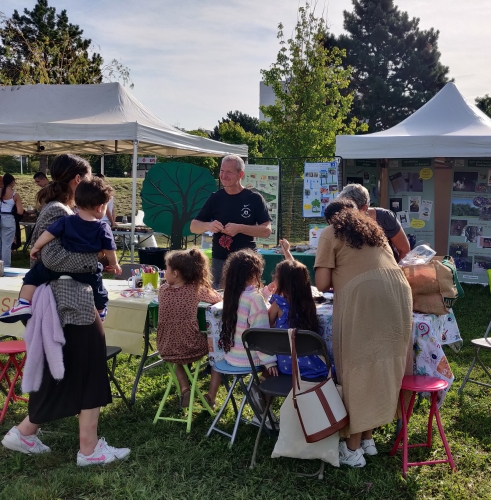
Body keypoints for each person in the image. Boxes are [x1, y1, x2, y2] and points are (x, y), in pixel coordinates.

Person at [1, 153, 130, 466]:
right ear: (77, 180)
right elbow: (48, 257)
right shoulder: (59, 210)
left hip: (71, 302)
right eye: (87, 178)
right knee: (91, 370)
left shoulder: (69, 211)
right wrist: (95, 260)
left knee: (73, 369)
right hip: (72, 303)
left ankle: (26, 432)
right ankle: (88, 450)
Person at [314, 199, 412, 468]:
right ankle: (368, 438)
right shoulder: (375, 231)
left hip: (363, 297)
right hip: (399, 293)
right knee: (383, 365)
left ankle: (353, 449)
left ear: (331, 219)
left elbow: (322, 284)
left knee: (358, 368)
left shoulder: (330, 232)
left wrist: (342, 275)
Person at [0, 177, 122, 323]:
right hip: (87, 272)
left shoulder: (66, 220)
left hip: (59, 269)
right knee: (99, 289)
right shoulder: (103, 227)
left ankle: (24, 303)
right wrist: (114, 264)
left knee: (33, 276)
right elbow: (110, 249)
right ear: (100, 207)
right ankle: (101, 311)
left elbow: (48, 234)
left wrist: (36, 247)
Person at [190, 154, 272, 288]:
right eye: (222, 171)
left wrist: (240, 228)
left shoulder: (254, 198)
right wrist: (209, 225)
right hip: (220, 261)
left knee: (247, 301)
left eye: (229, 172)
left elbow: (267, 231)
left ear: (241, 175)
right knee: (221, 303)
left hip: (247, 262)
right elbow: (193, 227)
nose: (223, 175)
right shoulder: (215, 198)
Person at [157, 248, 222, 408]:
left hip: (165, 348)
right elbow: (218, 299)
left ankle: (185, 388)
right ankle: (210, 397)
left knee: (174, 352)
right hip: (192, 347)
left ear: (175, 274)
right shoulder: (196, 289)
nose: (164, 272)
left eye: (166, 269)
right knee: (218, 352)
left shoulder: (162, 290)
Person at [266, 239, 328, 378]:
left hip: (286, 364)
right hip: (311, 363)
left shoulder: (278, 304)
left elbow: (265, 326)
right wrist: (287, 252)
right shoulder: (308, 303)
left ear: (282, 281)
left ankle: (263, 386)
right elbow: (295, 273)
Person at [218, 249, 278, 374]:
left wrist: (265, 293)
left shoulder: (231, 294)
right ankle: (259, 390)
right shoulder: (255, 298)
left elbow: (247, 305)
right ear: (252, 273)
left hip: (232, 357)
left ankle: (255, 390)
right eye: (259, 271)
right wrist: (269, 361)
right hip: (251, 359)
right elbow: (260, 333)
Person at [337, 184, 410, 262]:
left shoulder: (385, 218)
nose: (347, 212)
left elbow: (404, 250)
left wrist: (397, 271)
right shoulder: (341, 219)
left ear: (364, 208)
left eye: (351, 208)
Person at [0, 173, 24, 267]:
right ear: (12, 182)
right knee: (6, 245)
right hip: (8, 219)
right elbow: (20, 211)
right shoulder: (15, 195)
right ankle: (5, 266)